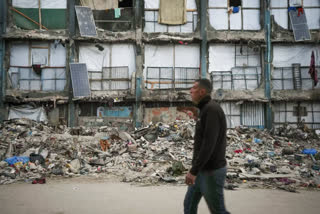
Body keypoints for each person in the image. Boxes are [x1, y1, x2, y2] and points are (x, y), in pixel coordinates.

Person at [184, 79, 230, 214]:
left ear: (202, 91)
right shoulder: (204, 110)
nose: (190, 91)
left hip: (211, 171)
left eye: (193, 88)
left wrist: (193, 171)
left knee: (218, 211)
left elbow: (208, 144)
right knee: (189, 204)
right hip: (201, 170)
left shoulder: (211, 109)